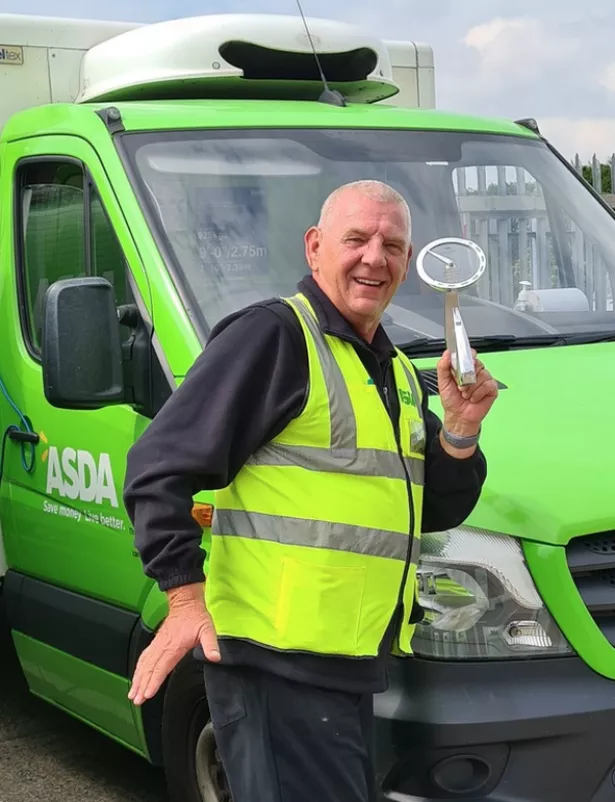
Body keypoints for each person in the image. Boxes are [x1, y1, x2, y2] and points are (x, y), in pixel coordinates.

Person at [123, 179, 498, 802]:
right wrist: (185, 600)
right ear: (315, 247)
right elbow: (157, 465)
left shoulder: (394, 370)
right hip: (274, 664)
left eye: (393, 245)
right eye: (356, 239)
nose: (375, 257)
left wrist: (459, 433)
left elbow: (429, 509)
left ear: (407, 264)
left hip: (347, 666)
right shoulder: (274, 337)